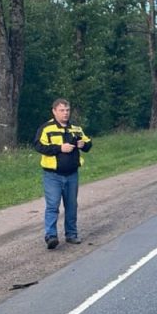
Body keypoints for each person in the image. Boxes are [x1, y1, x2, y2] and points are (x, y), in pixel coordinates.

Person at [34, 99, 92, 249]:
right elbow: (38, 146)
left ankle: (71, 235)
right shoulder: (46, 128)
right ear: (54, 111)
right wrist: (60, 148)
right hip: (52, 175)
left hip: (72, 174)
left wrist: (83, 144)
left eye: (67, 110)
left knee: (72, 206)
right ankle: (51, 236)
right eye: (62, 110)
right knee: (53, 206)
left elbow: (88, 144)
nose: (65, 113)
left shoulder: (76, 129)